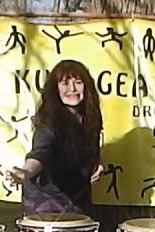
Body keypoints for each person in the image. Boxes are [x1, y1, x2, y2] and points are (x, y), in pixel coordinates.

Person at [8, 59, 104, 215]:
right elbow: (41, 152)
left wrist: (97, 164)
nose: (72, 89)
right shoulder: (49, 122)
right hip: (47, 201)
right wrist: (26, 172)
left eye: (78, 83)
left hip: (78, 196)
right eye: (65, 84)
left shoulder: (90, 118)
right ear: (56, 89)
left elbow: (88, 150)